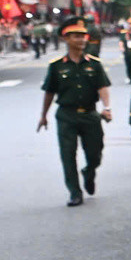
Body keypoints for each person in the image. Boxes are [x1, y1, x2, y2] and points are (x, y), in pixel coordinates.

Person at [38, 17, 114, 206]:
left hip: (90, 114)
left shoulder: (94, 64)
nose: (81, 40)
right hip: (66, 115)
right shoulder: (56, 66)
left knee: (95, 153)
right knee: (68, 154)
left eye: (83, 36)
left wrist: (107, 107)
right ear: (66, 39)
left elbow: (102, 87)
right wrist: (43, 116)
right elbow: (49, 92)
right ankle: (74, 192)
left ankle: (89, 171)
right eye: (76, 36)